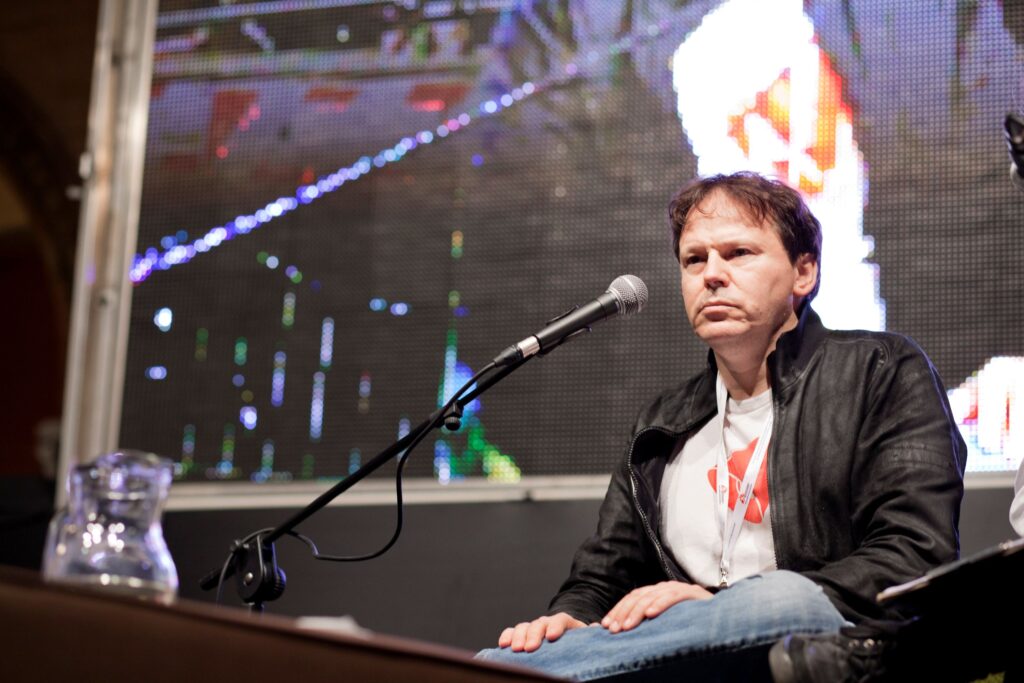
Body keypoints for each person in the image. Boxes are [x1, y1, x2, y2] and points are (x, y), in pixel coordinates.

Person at [476, 172, 966, 681]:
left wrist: (716, 604)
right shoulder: (660, 425)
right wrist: (567, 621)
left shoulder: (881, 370)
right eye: (695, 259)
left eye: (738, 254)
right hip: (688, 659)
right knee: (501, 660)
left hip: (825, 645)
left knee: (782, 600)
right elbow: (602, 577)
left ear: (804, 273)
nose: (711, 275)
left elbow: (913, 557)